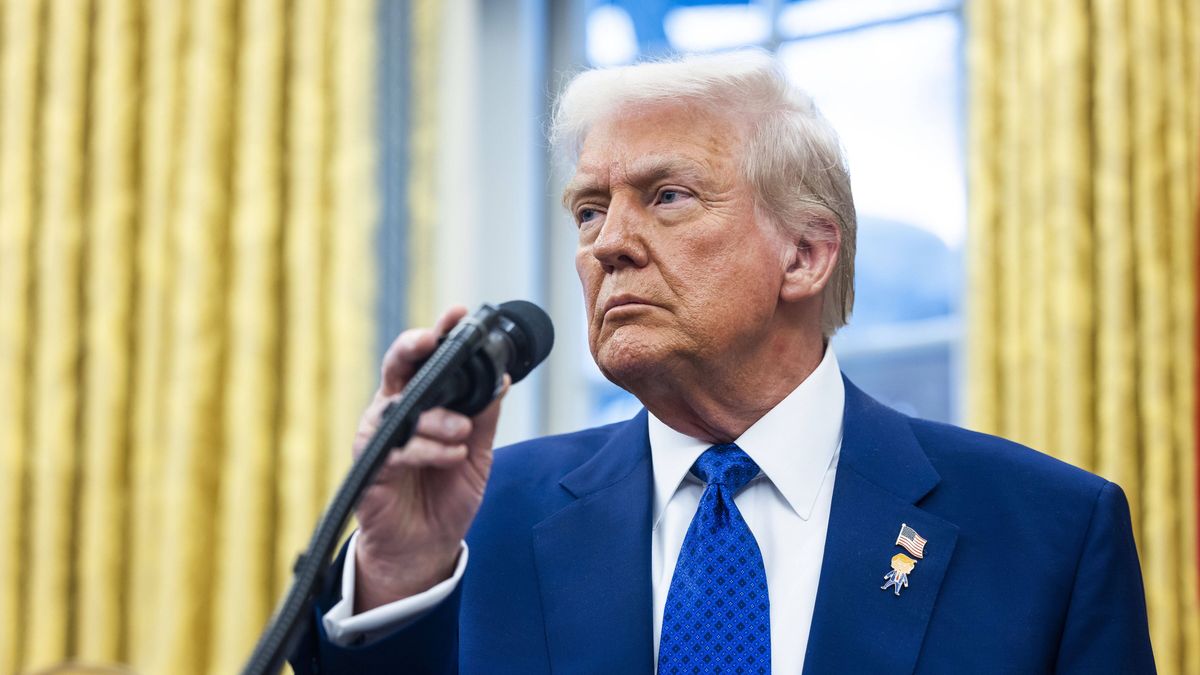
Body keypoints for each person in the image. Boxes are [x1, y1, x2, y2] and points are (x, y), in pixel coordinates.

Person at [290, 51, 1154, 674]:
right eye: (588, 210)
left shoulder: (1047, 534)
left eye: (666, 197)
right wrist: (402, 567)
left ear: (806, 255)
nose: (608, 245)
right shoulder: (476, 527)